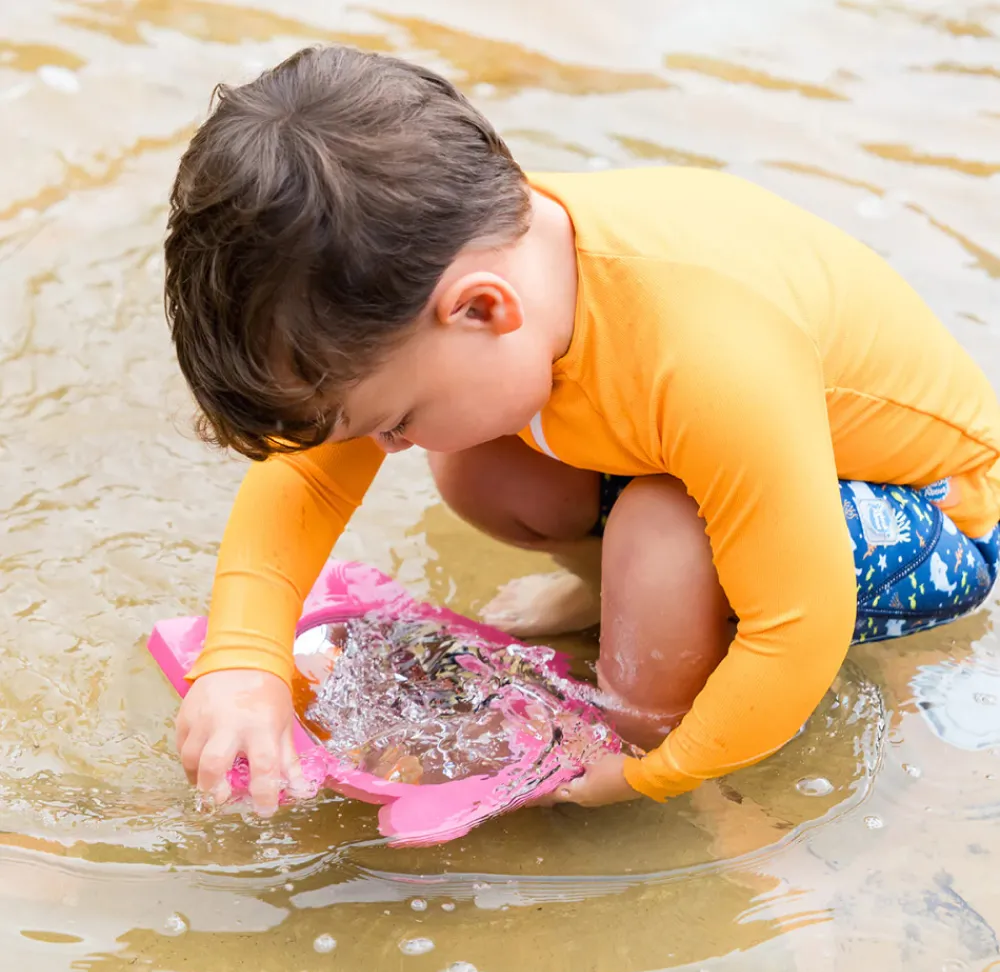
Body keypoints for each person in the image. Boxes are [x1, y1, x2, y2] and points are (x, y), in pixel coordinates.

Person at [164, 45, 1000, 817]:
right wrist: (243, 658)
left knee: (666, 527)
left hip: (938, 516)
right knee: (477, 463)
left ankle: (647, 714)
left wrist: (652, 775)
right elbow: (309, 473)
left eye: (396, 422)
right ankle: (632, 602)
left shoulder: (710, 350)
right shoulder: (469, 254)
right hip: (731, 461)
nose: (384, 449)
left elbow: (800, 621)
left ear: (484, 308)